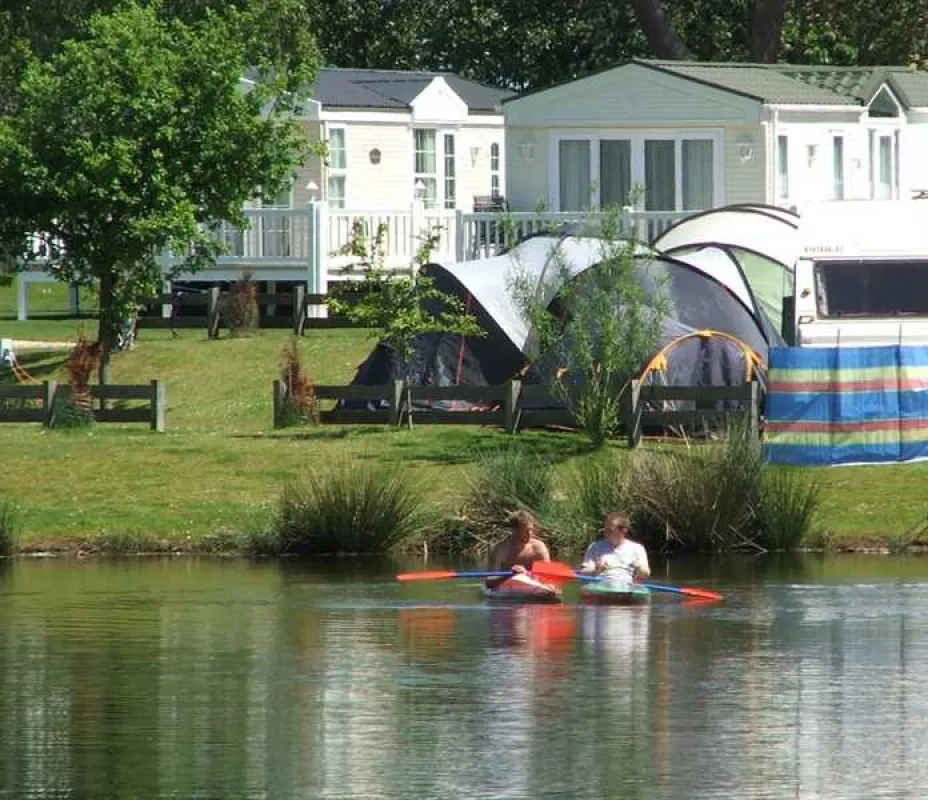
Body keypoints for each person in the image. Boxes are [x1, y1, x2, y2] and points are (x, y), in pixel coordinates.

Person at [578, 512, 650, 585]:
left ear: (623, 531)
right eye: (605, 530)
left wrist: (641, 572)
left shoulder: (637, 548)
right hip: (600, 588)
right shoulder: (595, 547)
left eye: (609, 530)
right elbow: (583, 573)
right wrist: (596, 570)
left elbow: (645, 572)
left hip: (626, 589)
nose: (605, 533)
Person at [485, 510, 551, 590]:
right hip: (507, 593)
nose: (529, 534)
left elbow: (548, 577)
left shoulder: (539, 548)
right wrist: (510, 575)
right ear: (514, 530)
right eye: (525, 531)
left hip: (535, 589)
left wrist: (526, 574)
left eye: (531, 530)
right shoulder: (500, 550)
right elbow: (489, 583)